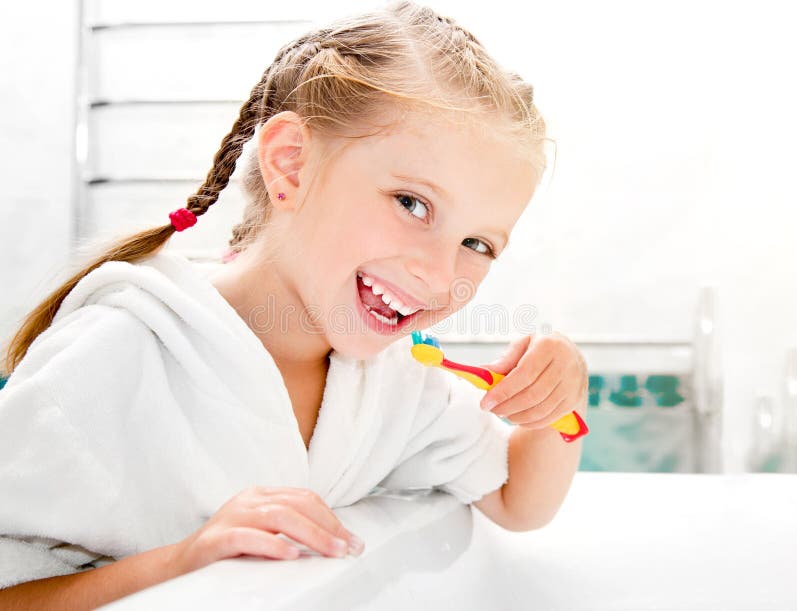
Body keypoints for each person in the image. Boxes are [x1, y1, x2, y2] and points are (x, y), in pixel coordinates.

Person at [0, 1, 588, 608]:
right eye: (412, 203)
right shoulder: (113, 357)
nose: (440, 274)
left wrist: (560, 395)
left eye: (477, 244)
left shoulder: (395, 383)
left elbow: (520, 502)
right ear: (291, 164)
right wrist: (181, 561)